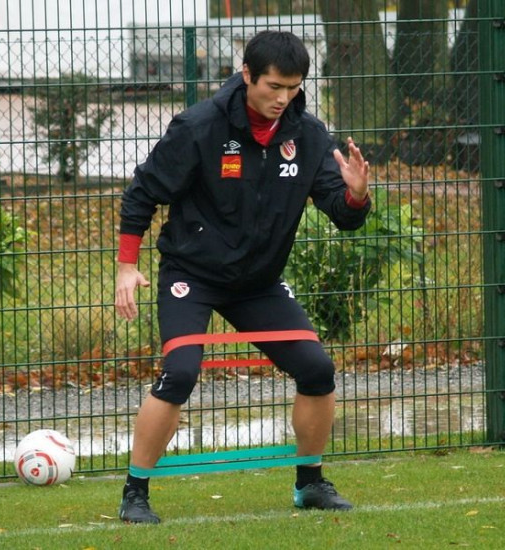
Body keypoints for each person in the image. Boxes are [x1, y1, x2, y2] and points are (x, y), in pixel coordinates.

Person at [115, 30, 370, 524]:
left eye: (293, 88)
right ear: (247, 75)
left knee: (317, 368)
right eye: (273, 86)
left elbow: (342, 212)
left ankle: (310, 484)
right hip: (192, 273)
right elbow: (142, 192)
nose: (283, 98)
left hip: (258, 283)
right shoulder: (199, 127)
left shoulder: (308, 136)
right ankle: (135, 493)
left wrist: (356, 195)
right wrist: (127, 266)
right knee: (180, 372)